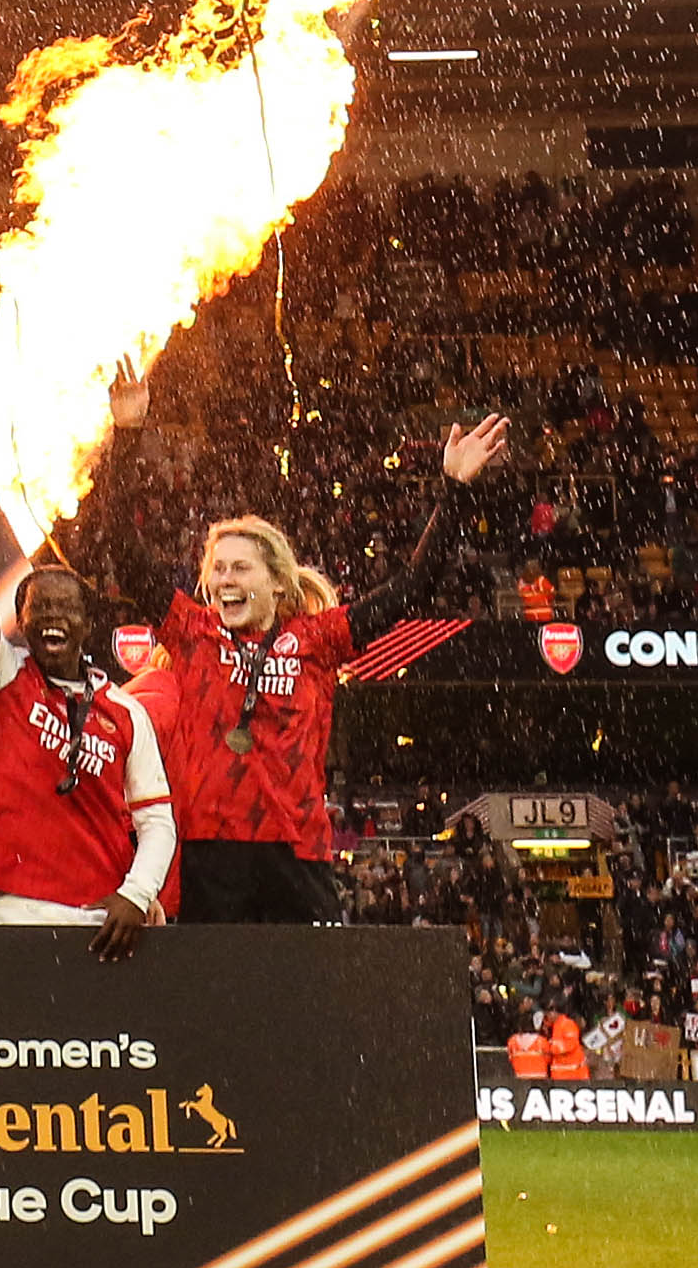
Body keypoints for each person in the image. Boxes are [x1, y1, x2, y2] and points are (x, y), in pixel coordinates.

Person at [97, 385, 500, 922]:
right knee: (218, 1001)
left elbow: (413, 589)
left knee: (309, 1000)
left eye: (240, 568)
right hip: (210, 852)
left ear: (277, 584)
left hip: (297, 852)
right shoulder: (193, 633)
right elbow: (126, 553)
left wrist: (454, 491)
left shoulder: (316, 639)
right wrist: (126, 438)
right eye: (217, 570)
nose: (224, 581)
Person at [0, 560, 171, 956]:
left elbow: (157, 819)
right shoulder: (1, 677)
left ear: (89, 623)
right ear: (20, 621)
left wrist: (137, 893)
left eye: (67, 607)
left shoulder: (126, 711)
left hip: (99, 920)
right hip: (12, 912)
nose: (53, 617)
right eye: (40, 607)